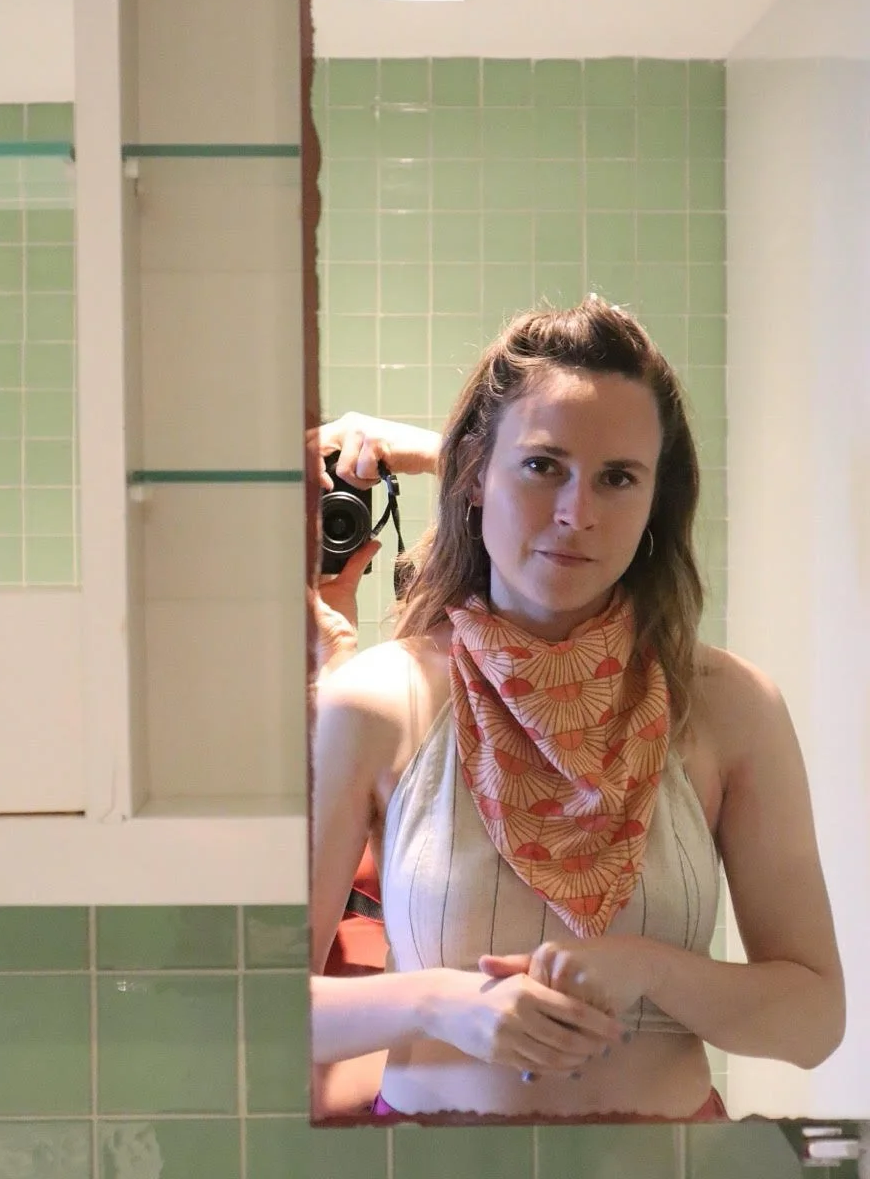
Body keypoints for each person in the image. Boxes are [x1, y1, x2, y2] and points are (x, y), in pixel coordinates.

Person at [309, 298, 845, 1123]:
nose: (577, 513)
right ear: (470, 477)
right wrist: (439, 1005)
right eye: (542, 466)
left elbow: (814, 1023)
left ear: (655, 503)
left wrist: (652, 970)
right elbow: (257, 1008)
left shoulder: (731, 708)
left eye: (618, 478)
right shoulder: (376, 701)